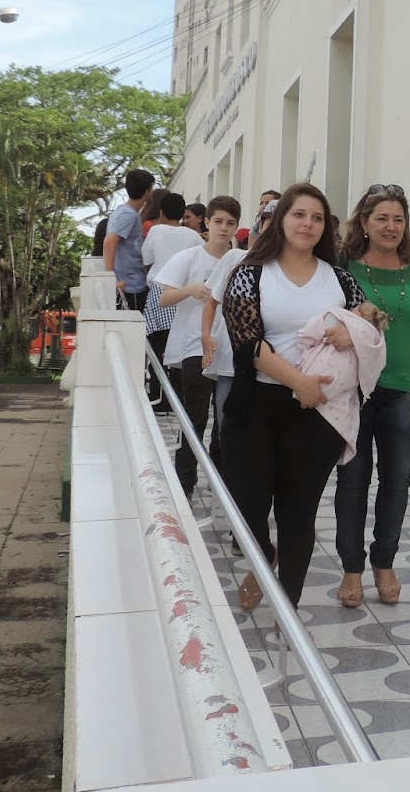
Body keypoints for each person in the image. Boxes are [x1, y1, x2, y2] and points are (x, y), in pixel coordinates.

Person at [220, 183, 364, 609]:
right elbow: (247, 342)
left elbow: (370, 328)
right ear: (280, 219)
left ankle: (289, 608)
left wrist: (353, 333)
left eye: (317, 218)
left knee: (297, 513)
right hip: (256, 405)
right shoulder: (250, 273)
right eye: (299, 214)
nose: (308, 224)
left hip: (319, 413)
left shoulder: (341, 280)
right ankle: (264, 555)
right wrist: (298, 381)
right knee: (247, 505)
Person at [334, 186, 410, 607]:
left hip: (404, 388)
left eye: (398, 219)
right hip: (355, 389)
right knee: (353, 480)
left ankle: (384, 562)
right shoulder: (343, 267)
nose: (391, 226)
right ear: (365, 223)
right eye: (381, 218)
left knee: (398, 481)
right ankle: (352, 569)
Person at [152, 196, 239, 493]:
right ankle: (184, 482)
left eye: (230, 223)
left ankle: (221, 482)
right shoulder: (189, 257)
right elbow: (163, 298)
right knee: (195, 418)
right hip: (194, 348)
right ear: (207, 222)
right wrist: (190, 289)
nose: (224, 228)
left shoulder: (240, 260)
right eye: (218, 221)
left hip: (228, 352)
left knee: (226, 422)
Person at [139, 191, 198, 409]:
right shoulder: (192, 236)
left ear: (162, 212)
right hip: (183, 292)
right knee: (180, 347)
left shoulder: (156, 230)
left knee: (157, 347)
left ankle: (158, 396)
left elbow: (146, 258)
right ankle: (179, 399)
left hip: (160, 290)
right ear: (183, 213)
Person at [103, 169, 154, 309]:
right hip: (130, 286)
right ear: (147, 191)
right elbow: (109, 242)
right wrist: (111, 279)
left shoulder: (123, 212)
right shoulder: (128, 215)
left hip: (131, 284)